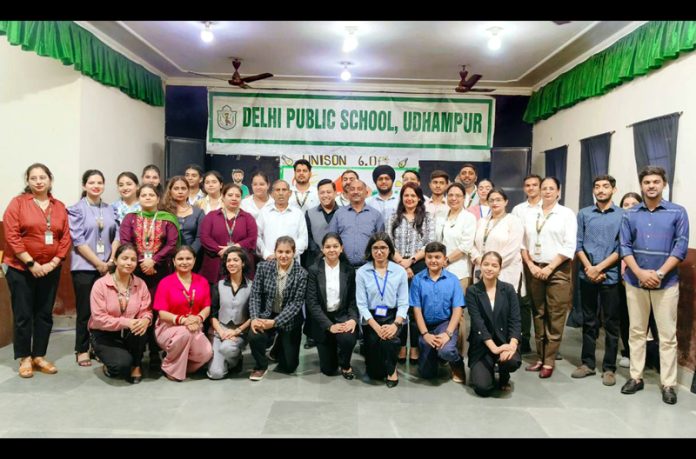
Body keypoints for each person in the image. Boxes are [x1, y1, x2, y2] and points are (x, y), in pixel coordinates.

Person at [620, 166, 689, 405]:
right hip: (635, 281)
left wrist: (658, 273)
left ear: (664, 184)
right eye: (647, 182)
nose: (651, 186)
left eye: (656, 182)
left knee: (667, 336)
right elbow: (625, 247)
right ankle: (635, 377)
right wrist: (639, 272)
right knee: (636, 332)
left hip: (666, 282)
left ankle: (668, 384)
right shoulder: (630, 214)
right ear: (641, 186)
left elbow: (680, 248)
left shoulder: (677, 212)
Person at [3, 163, 71, 378]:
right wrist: (32, 264)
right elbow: (12, 236)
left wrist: (52, 264)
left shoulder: (59, 206)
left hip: (50, 269)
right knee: (23, 314)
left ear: (50, 180)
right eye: (34, 178)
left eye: (43, 177)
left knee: (44, 314)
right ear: (28, 181)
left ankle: (39, 355)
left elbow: (65, 238)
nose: (39, 181)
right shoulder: (18, 203)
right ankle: (24, 357)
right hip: (21, 269)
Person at [119, 184, 181, 369]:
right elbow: (125, 242)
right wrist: (141, 261)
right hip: (135, 272)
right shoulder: (130, 219)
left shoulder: (168, 219)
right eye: (143, 195)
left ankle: (156, 351)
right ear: (138, 198)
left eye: (151, 195)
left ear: (157, 198)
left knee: (157, 310)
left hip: (161, 272)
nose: (147, 197)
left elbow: (172, 244)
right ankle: (135, 353)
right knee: (137, 310)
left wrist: (154, 260)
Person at [521, 177, 577, 379]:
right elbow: (522, 243)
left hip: (558, 271)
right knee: (538, 314)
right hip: (535, 269)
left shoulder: (566, 214)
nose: (546, 192)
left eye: (551, 188)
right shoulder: (530, 214)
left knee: (555, 315)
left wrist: (550, 267)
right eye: (543, 188)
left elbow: (569, 245)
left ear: (558, 192)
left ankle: (549, 361)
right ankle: (540, 357)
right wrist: (531, 265)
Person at [571, 175, 623, 386]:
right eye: (597, 187)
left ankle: (609, 368)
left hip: (610, 276)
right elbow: (578, 243)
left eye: (606, 186)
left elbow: (622, 247)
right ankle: (588, 363)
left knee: (611, 323)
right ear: (593, 190)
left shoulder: (623, 215)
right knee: (589, 321)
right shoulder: (583, 213)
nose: (601, 190)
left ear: (614, 189)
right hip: (587, 274)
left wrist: (600, 268)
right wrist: (589, 268)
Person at [68, 169, 120, 367]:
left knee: (106, 311)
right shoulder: (76, 209)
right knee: (85, 311)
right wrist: (98, 263)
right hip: (84, 267)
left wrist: (111, 260)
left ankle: (100, 347)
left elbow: (117, 236)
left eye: (100, 182)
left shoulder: (109, 209)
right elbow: (78, 241)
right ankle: (81, 349)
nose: (96, 186)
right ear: (84, 186)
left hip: (108, 265)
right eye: (91, 182)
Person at [386, 182, 436, 364]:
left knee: (416, 308)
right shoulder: (393, 217)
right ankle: (400, 347)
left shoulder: (428, 217)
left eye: (413, 196)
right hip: (396, 265)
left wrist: (411, 261)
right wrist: (401, 263)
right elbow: (388, 243)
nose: (409, 199)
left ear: (419, 198)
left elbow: (429, 244)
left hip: (420, 266)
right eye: (406, 195)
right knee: (400, 307)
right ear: (402, 198)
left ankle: (414, 347)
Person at [89, 243, 152, 383]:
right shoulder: (100, 285)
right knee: (120, 368)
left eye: (133, 259)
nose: (129, 263)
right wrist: (127, 322)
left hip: (130, 332)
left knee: (141, 327)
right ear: (116, 260)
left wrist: (146, 320)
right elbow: (99, 318)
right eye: (124, 258)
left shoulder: (140, 283)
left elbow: (146, 310)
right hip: (105, 333)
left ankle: (136, 364)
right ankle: (99, 353)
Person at [248, 237, 308, 381]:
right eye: (280, 251)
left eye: (288, 252)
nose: (283, 255)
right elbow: (255, 294)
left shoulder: (302, 274)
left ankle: (278, 345)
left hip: (290, 319)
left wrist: (275, 323)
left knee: (289, 366)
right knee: (254, 335)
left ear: (294, 253)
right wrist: (255, 318)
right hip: (267, 314)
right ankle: (261, 366)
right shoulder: (263, 267)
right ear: (275, 252)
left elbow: (296, 304)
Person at [356, 233, 409, 388]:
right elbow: (361, 304)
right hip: (371, 319)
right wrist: (376, 327)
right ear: (370, 250)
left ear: (390, 250)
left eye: (383, 247)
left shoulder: (399, 271)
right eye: (375, 248)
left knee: (390, 340)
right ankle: (380, 365)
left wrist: (395, 325)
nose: (379, 252)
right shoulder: (362, 272)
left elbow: (404, 303)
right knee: (374, 373)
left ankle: (392, 371)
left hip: (392, 317)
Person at [153, 246, 213, 381]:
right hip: (168, 327)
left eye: (188, 258)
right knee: (184, 333)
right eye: (180, 259)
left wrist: (198, 318)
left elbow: (207, 307)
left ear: (194, 260)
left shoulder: (202, 281)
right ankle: (170, 367)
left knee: (206, 353)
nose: (184, 262)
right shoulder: (165, 282)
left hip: (194, 325)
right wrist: (183, 320)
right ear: (174, 261)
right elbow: (162, 313)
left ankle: (178, 364)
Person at [466, 251, 522, 396]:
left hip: (504, 341)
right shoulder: (472, 291)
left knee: (511, 361)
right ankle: (484, 368)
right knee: (483, 389)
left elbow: (515, 320)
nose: (489, 268)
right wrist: (495, 349)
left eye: (494, 265)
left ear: (500, 269)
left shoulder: (508, 289)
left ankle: (504, 375)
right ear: (480, 266)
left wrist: (512, 345)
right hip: (482, 345)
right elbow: (478, 324)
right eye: (486, 264)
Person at [410, 242, 466, 382]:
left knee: (446, 350)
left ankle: (457, 363)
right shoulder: (417, 280)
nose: (433, 260)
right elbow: (416, 310)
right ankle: (435, 357)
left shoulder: (453, 280)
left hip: (444, 324)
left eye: (437, 257)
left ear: (444, 259)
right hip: (426, 326)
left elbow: (457, 309)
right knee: (427, 374)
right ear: (425, 259)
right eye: (429, 257)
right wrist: (425, 334)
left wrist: (448, 333)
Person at [306, 233, 359, 378]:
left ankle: (346, 364)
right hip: (322, 320)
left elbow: (353, 300)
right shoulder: (314, 270)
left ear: (341, 248)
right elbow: (312, 303)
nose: (332, 250)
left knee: (348, 339)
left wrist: (353, 319)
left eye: (335, 246)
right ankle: (332, 348)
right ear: (322, 249)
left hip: (342, 316)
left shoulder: (348, 270)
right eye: (328, 246)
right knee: (328, 370)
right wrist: (329, 326)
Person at [435, 182, 477, 357]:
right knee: (440, 311)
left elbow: (465, 246)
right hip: (437, 271)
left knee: (457, 313)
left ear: (464, 198)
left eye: (457, 195)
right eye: (450, 195)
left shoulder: (468, 218)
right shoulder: (441, 215)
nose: (453, 198)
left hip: (458, 271)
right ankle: (441, 349)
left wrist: (443, 261)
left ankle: (457, 354)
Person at [207, 246, 252, 380]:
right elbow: (213, 315)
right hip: (219, 330)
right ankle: (227, 363)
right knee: (216, 374)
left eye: (235, 260)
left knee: (227, 349)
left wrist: (236, 331)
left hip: (239, 331)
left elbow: (252, 316)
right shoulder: (218, 285)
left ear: (243, 263)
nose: (231, 263)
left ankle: (235, 359)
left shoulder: (252, 286)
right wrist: (221, 332)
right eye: (228, 261)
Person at [199, 183, 257, 285]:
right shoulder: (211, 216)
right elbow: (204, 237)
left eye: (237, 196)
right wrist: (220, 250)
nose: (234, 198)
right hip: (216, 262)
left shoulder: (248, 218)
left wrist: (234, 248)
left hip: (241, 265)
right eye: (230, 195)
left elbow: (252, 238)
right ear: (223, 197)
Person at [511, 174, 543, 355]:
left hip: (541, 261)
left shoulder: (545, 207)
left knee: (539, 304)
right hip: (520, 260)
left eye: (534, 185)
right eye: (527, 185)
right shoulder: (518, 209)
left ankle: (545, 344)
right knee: (522, 301)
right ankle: (523, 339)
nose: (531, 188)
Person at [471, 188, 524, 290]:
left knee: (501, 303)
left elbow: (512, 249)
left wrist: (492, 266)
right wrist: (478, 259)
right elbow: (472, 244)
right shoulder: (482, 222)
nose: (494, 203)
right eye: (491, 200)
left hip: (504, 271)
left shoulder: (513, 221)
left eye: (498, 200)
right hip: (481, 270)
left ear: (506, 202)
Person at [329, 179, 385, 268]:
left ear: (366, 193)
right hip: (343, 267)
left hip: (369, 267)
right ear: (347, 193)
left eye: (359, 189)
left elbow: (381, 242)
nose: (355, 192)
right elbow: (331, 239)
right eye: (352, 189)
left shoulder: (376, 215)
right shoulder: (339, 214)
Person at [256, 180, 308, 261]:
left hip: (292, 262)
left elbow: (303, 239)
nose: (281, 193)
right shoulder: (264, 212)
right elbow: (257, 236)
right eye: (277, 190)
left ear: (290, 193)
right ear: (272, 194)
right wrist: (266, 254)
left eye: (284, 190)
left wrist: (289, 254)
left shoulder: (298, 213)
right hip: (269, 261)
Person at [163, 176, 204, 255]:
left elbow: (199, 238)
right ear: (170, 191)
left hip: (193, 256)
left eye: (183, 188)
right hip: (169, 255)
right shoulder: (164, 212)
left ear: (188, 191)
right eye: (176, 188)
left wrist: (189, 254)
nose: (180, 192)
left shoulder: (198, 212)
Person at [305, 178, 339, 270]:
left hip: (339, 262)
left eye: (329, 192)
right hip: (315, 261)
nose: (325, 195)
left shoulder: (343, 213)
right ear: (318, 194)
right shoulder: (309, 213)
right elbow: (308, 237)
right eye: (322, 192)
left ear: (335, 193)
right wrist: (320, 252)